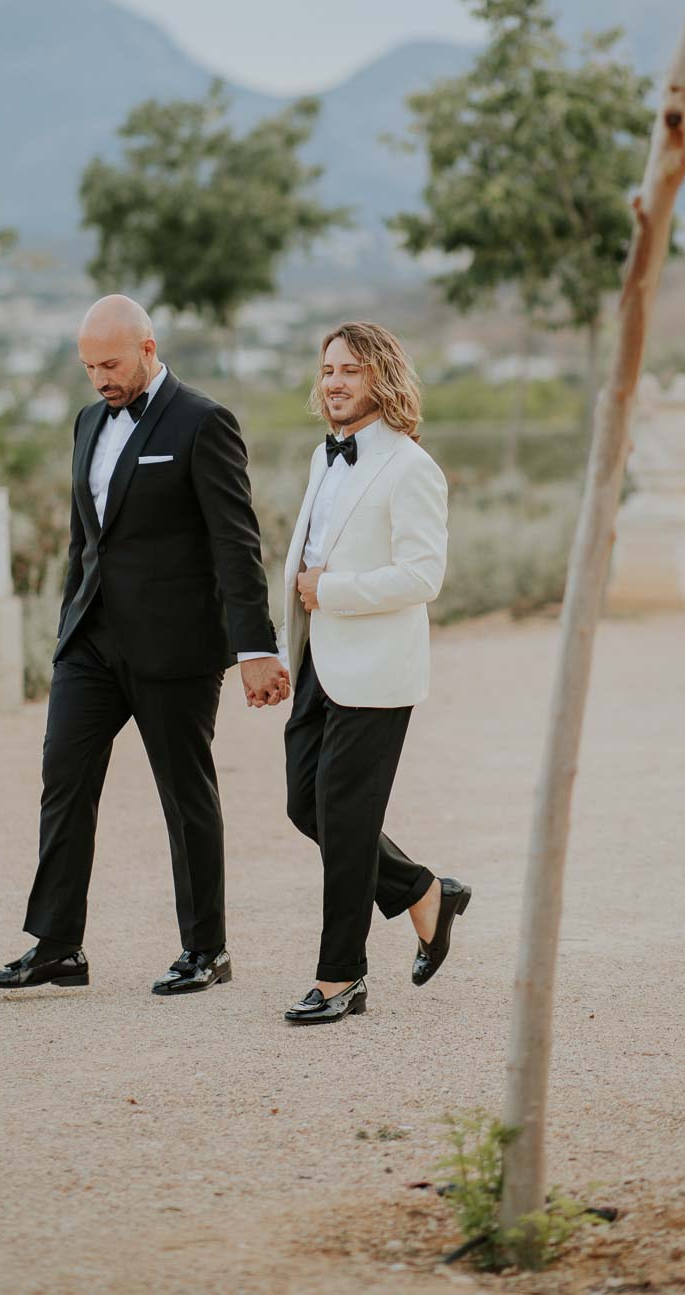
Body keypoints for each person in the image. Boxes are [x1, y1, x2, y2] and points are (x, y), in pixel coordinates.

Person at [0, 294, 289, 996]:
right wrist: (64, 631)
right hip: (90, 641)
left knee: (185, 796)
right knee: (64, 778)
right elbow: (84, 539)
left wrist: (254, 648)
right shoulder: (88, 422)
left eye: (110, 363)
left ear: (148, 347)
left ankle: (207, 949)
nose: (99, 380)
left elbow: (236, 545)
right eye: (88, 366)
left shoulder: (205, 422)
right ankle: (57, 946)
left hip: (173, 645)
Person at [278, 320, 470, 1024]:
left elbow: (424, 574)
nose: (333, 381)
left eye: (349, 370)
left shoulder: (411, 468)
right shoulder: (321, 458)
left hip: (376, 672)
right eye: (327, 368)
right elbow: (300, 563)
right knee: (308, 806)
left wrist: (331, 590)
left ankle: (340, 978)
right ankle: (423, 891)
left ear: (381, 378)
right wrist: (281, 645)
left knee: (347, 817)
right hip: (314, 664)